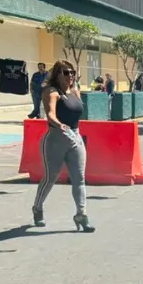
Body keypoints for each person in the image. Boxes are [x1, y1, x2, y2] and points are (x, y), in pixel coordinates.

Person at [32, 60, 94, 233]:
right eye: (66, 73)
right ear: (57, 75)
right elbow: (50, 114)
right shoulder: (52, 92)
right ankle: (37, 208)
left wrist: (74, 132)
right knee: (50, 178)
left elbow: (77, 112)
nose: (70, 76)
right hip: (55, 139)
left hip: (75, 137)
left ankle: (81, 215)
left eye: (72, 72)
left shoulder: (75, 91)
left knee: (79, 178)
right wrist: (60, 125)